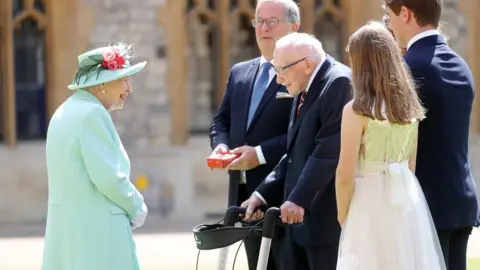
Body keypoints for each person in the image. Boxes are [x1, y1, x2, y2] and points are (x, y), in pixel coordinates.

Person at [335, 21, 446, 270]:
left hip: (369, 199)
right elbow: (411, 163)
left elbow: (344, 174)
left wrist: (343, 213)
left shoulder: (357, 110)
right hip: (406, 196)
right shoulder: (409, 107)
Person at [243, 32, 352, 270]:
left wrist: (299, 200)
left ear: (307, 64)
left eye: (282, 70)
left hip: (325, 221)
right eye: (275, 69)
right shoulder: (303, 84)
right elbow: (293, 153)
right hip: (298, 223)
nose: (278, 79)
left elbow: (328, 151)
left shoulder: (339, 83)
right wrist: (261, 194)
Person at [384, 0, 480, 269]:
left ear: (405, 13)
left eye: (389, 16)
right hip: (460, 201)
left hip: (422, 207)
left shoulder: (406, 69)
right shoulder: (460, 64)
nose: (389, 23)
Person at [209, 0, 300, 269]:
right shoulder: (240, 72)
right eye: (259, 21)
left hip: (285, 196)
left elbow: (304, 132)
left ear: (295, 27)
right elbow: (220, 120)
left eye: (272, 21)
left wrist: (259, 155)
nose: (264, 28)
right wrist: (221, 146)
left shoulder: (304, 73)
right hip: (243, 198)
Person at [42, 42, 148, 270]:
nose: (129, 88)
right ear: (102, 84)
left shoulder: (65, 110)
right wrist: (138, 207)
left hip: (68, 236)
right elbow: (109, 178)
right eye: (124, 79)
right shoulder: (93, 114)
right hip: (98, 236)